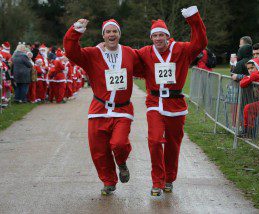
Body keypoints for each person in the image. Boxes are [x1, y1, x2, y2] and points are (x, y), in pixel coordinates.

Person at [63, 18, 142, 195]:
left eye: (115, 31)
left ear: (119, 34)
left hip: (122, 110)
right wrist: (76, 31)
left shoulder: (130, 53)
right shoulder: (92, 54)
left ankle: (121, 162)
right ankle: (108, 181)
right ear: (103, 35)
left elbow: (148, 66)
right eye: (108, 32)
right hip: (99, 110)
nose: (111, 34)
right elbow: (71, 52)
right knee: (99, 151)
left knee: (119, 144)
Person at [135, 6, 207, 196]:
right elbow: (128, 60)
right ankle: (157, 181)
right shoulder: (145, 52)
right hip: (155, 103)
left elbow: (200, 42)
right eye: (155, 36)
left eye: (161, 35)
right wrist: (108, 49)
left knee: (174, 145)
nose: (158, 39)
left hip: (175, 104)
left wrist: (193, 18)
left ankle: (169, 179)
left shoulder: (181, 49)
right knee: (155, 140)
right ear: (151, 38)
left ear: (167, 36)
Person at [240, 58, 259, 138]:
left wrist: (246, 78)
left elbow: (242, 83)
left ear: (258, 67)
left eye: (252, 68)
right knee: (248, 108)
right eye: (248, 69)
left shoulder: (257, 74)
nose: (250, 70)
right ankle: (248, 132)